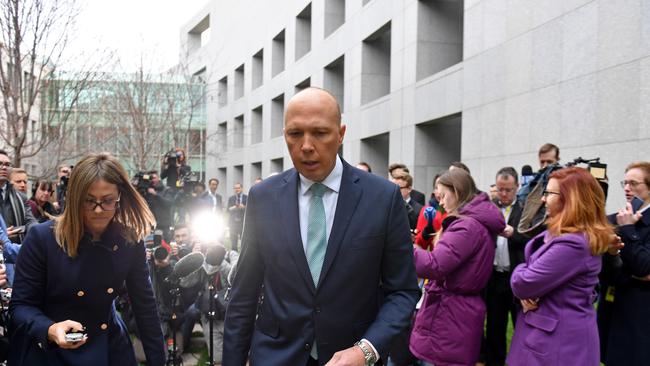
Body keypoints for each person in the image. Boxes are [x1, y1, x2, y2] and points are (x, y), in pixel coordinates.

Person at [223, 87, 420, 366]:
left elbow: (403, 291)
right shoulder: (263, 197)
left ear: (340, 134)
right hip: (276, 356)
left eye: (319, 133)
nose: (306, 145)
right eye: (295, 134)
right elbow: (244, 294)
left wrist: (366, 350)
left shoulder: (382, 198)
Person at [8, 153, 165, 366]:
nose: (98, 210)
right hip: (52, 353)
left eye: (108, 201)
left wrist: (159, 361)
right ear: (74, 198)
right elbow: (20, 307)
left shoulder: (129, 240)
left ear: (120, 197)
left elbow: (145, 306)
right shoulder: (42, 238)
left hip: (109, 349)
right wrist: (50, 329)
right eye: (89, 201)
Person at [506, 167, 614, 366]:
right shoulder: (565, 234)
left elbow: (523, 283)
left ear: (570, 200)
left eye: (549, 193)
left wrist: (521, 272)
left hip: (559, 344)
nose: (543, 199)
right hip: (550, 337)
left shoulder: (573, 244)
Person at [410, 168, 505, 366]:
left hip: (449, 314)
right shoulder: (475, 222)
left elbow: (435, 265)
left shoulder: (467, 226)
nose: (441, 202)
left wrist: (404, 248)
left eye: (443, 195)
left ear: (458, 192)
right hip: (456, 311)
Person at [598, 161, 650, 366]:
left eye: (634, 183)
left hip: (638, 311)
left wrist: (628, 230)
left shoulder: (625, 223)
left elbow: (644, 267)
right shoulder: (615, 219)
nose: (627, 188)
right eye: (625, 183)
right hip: (612, 305)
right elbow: (603, 269)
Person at [481, 167, 527, 366]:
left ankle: (522, 361)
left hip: (517, 276)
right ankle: (495, 361)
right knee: (494, 327)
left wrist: (513, 233)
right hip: (494, 277)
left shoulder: (525, 209)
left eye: (508, 189)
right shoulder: (489, 208)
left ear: (517, 187)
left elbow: (532, 238)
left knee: (522, 326)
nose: (504, 194)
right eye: (500, 189)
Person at [0, 150, 37, 243]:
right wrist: (2, 235)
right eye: (0, 163)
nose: (4, 167)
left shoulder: (21, 197)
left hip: (15, 251)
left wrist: (39, 230)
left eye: (7, 164)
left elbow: (30, 221)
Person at [226, 183, 247, 252]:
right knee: (233, 242)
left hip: (242, 223)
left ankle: (243, 255)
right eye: (235, 188)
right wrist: (234, 207)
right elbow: (227, 210)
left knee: (244, 241)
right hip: (233, 223)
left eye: (238, 188)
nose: (237, 189)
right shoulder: (231, 198)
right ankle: (234, 255)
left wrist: (243, 207)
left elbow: (249, 209)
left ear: (241, 188)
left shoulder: (246, 197)